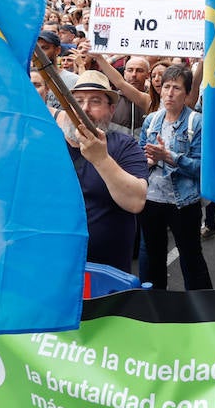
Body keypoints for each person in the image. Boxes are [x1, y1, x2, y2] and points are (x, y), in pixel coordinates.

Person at [48, 72, 148, 272]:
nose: (84, 109)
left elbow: (136, 201)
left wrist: (101, 159)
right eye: (77, 101)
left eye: (95, 101)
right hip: (56, 267)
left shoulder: (124, 146)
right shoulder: (48, 145)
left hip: (106, 272)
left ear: (111, 110)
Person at [138, 65, 210, 290]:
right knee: (154, 259)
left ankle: (203, 312)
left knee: (191, 259)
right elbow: (139, 157)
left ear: (187, 93)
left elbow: (201, 167)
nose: (169, 93)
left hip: (184, 204)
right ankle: (158, 311)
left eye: (176, 88)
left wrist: (170, 157)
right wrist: (148, 160)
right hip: (151, 201)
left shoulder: (196, 122)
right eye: (166, 86)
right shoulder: (151, 120)